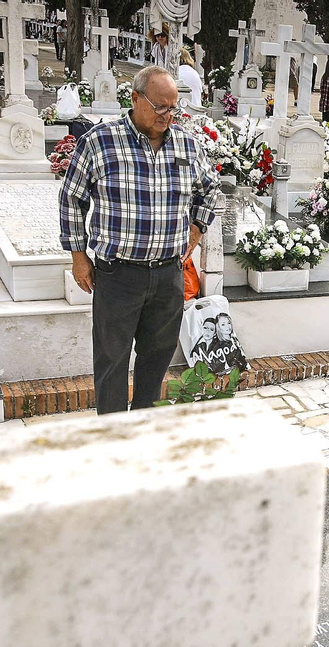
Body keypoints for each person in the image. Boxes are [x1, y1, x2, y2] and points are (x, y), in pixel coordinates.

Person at [59, 66, 219, 414]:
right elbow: (72, 198)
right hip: (119, 276)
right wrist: (78, 256)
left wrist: (196, 228)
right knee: (112, 361)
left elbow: (210, 188)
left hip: (167, 276)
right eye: (160, 107)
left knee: (156, 358)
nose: (168, 116)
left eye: (173, 108)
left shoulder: (187, 145)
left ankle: (143, 429)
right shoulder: (100, 142)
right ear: (135, 98)